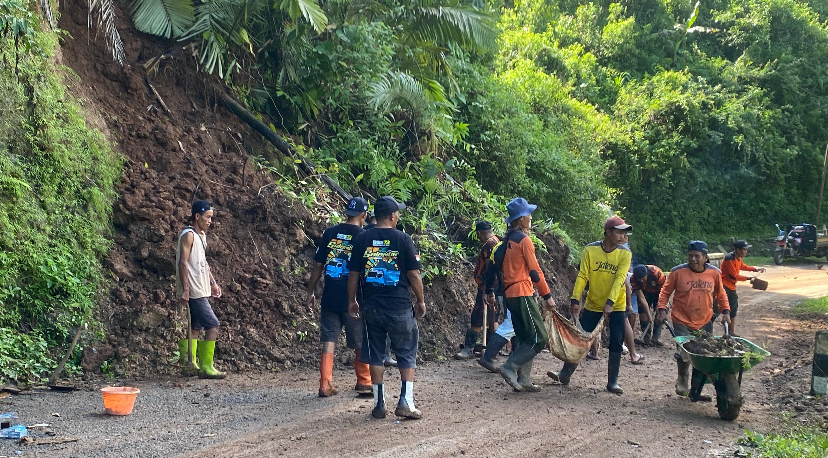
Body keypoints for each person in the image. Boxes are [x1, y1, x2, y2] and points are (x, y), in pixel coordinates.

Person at [347, 196, 426, 419]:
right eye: (397, 213)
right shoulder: (403, 239)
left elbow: (353, 274)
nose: (398, 216)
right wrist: (420, 301)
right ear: (392, 216)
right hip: (399, 306)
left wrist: (352, 300)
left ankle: (379, 404)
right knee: (406, 353)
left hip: (372, 308)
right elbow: (413, 274)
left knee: (375, 355)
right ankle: (405, 401)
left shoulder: (362, 238)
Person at [548, 216, 632, 394]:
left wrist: (610, 303)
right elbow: (582, 276)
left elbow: (619, 280)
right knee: (581, 338)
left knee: (616, 341)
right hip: (593, 303)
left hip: (617, 305)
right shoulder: (590, 250)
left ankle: (613, 382)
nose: (623, 236)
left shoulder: (625, 253)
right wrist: (575, 298)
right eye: (619, 232)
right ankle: (565, 373)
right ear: (608, 232)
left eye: (625, 233)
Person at [306, 197, 371, 397]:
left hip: (330, 295)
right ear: (364, 215)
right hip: (354, 298)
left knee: (329, 338)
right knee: (360, 339)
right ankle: (364, 381)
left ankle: (325, 383)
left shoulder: (330, 233)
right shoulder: (363, 236)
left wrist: (311, 291)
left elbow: (318, 264)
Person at [493, 198, 556, 392]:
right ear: (520, 219)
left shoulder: (507, 241)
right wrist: (547, 295)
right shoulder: (524, 240)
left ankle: (524, 378)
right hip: (522, 293)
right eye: (528, 214)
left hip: (510, 294)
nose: (530, 217)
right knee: (539, 337)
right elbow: (535, 271)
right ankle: (510, 367)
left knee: (524, 336)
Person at [656, 241, 731, 401]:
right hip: (681, 319)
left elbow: (721, 293)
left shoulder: (714, 273)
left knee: (703, 355)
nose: (693, 259)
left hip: (704, 320)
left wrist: (725, 311)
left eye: (697, 256)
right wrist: (662, 309)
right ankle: (683, 377)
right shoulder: (677, 272)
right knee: (685, 352)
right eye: (690, 256)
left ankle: (696, 390)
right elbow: (665, 292)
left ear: (705, 257)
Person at [175, 200, 225, 379]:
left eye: (211, 217)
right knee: (213, 325)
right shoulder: (188, 235)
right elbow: (183, 262)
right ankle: (206, 367)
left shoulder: (201, 236)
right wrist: (186, 289)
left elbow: (203, 262)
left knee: (195, 327)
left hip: (201, 288)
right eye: (207, 217)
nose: (210, 221)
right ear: (197, 216)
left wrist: (212, 282)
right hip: (194, 290)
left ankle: (190, 364)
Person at [456, 221, 501, 360]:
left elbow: (489, 269)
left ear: (479, 233)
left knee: (478, 315)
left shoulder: (489, 245)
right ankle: (492, 349)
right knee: (494, 316)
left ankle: (469, 348)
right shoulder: (498, 241)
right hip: (496, 286)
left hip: (488, 286)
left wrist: (487, 289)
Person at [720, 240, 765, 336]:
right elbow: (734, 276)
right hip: (725, 286)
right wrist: (749, 278)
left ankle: (730, 332)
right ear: (737, 249)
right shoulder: (730, 259)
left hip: (730, 286)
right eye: (744, 249)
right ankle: (729, 332)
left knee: (732, 308)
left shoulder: (738, 258)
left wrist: (755, 269)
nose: (746, 251)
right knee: (728, 308)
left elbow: (742, 266)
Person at [630, 264, 666, 346]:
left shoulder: (657, 274)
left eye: (643, 279)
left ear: (647, 274)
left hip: (659, 293)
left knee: (659, 314)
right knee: (643, 314)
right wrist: (649, 315)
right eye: (640, 280)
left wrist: (659, 304)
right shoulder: (633, 279)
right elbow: (641, 297)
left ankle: (655, 338)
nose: (641, 281)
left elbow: (665, 291)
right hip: (645, 293)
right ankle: (646, 338)